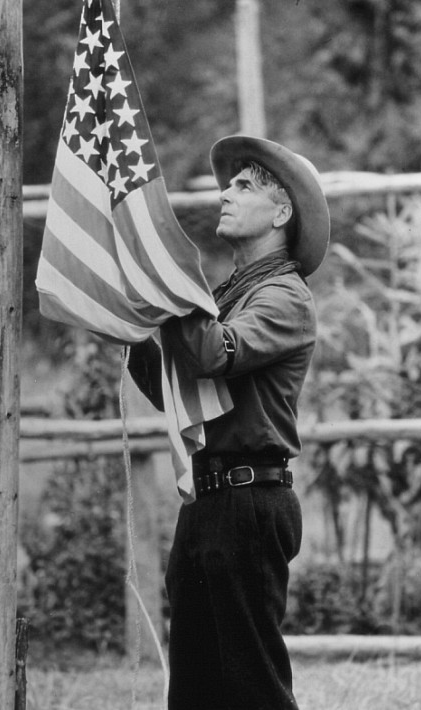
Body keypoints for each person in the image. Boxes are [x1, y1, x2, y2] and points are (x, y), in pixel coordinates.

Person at [128, 135, 330, 710]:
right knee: (195, 689)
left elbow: (214, 354)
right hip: (208, 500)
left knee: (252, 686)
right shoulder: (228, 292)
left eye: (244, 186)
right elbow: (180, 391)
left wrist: (167, 279)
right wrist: (138, 337)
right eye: (229, 184)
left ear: (282, 211)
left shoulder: (285, 297)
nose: (224, 194)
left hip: (249, 501)